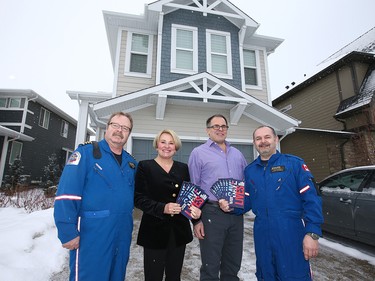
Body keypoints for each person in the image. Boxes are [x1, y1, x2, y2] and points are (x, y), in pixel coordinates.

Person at [53, 112, 137, 281]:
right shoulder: (86, 153)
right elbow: (67, 194)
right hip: (92, 233)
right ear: (107, 128)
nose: (119, 130)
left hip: (122, 233)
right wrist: (67, 230)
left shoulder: (131, 163)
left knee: (116, 275)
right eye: (115, 125)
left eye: (125, 128)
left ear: (129, 133)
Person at [239, 125, 323, 280]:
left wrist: (312, 233)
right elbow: (246, 200)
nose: (263, 141)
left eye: (267, 137)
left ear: (276, 139)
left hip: (291, 232)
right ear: (254, 142)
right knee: (266, 275)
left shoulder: (294, 164)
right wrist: (228, 205)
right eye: (258, 138)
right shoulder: (250, 170)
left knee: (294, 275)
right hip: (262, 234)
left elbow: (312, 199)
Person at [134, 129, 202, 281]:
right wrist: (162, 208)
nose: (167, 146)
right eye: (163, 142)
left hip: (178, 232)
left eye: (171, 143)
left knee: (174, 276)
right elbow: (138, 198)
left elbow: (189, 196)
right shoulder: (145, 167)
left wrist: (196, 215)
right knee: (153, 276)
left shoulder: (183, 168)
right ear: (157, 145)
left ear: (176, 147)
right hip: (153, 232)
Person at [188, 114, 247, 281]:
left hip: (236, 215)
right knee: (210, 265)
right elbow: (194, 187)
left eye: (224, 126)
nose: (220, 129)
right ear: (208, 130)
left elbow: (245, 183)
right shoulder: (198, 153)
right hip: (211, 214)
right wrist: (196, 221)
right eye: (216, 126)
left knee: (233, 263)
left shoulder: (237, 154)